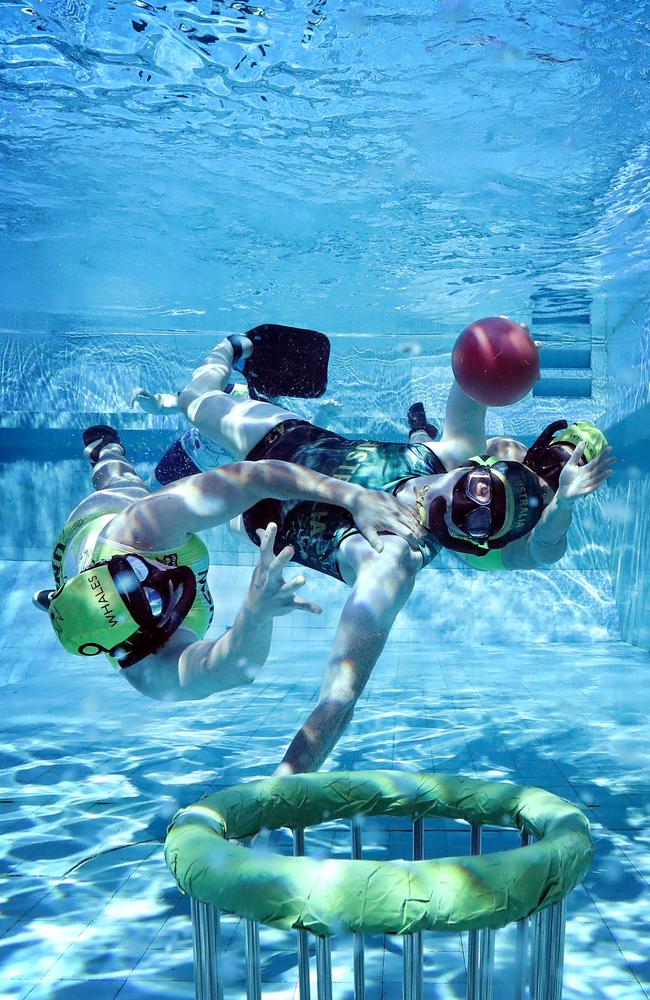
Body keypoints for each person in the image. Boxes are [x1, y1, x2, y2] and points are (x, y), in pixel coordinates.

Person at [132, 329, 613, 772]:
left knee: (157, 497)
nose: (467, 504)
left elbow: (338, 699)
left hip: (251, 509)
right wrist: (509, 343)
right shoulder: (457, 451)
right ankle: (238, 350)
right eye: (481, 488)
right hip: (285, 437)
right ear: (481, 465)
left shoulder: (393, 559)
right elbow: (473, 375)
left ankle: (163, 455)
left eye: (480, 521)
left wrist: (280, 787)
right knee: (195, 398)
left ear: (477, 542)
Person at [33, 420, 422, 703]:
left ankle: (105, 450)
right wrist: (255, 615)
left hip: (95, 523)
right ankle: (55, 599)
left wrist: (351, 496)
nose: (160, 579)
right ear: (136, 638)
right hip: (84, 587)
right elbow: (234, 669)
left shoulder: (140, 534)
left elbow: (253, 477)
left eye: (135, 572)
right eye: (150, 602)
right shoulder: (149, 669)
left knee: (122, 481)